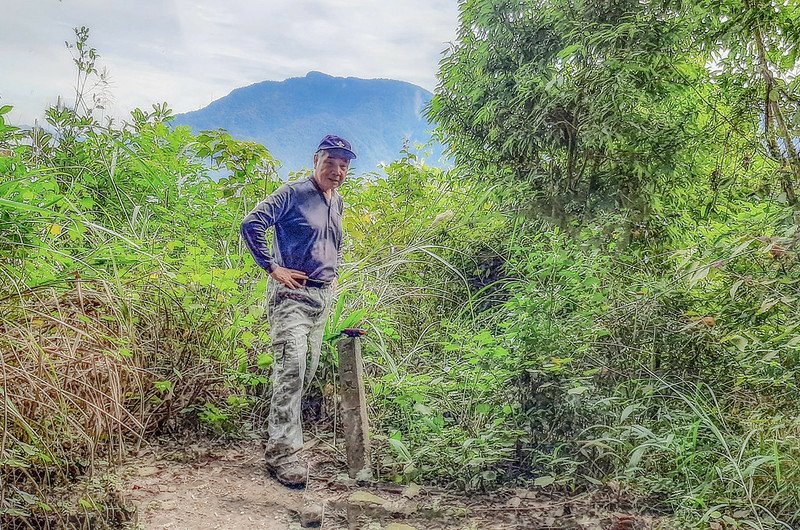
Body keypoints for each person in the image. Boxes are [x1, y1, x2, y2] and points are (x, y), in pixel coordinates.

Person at [241, 134, 355, 487]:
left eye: (343, 165)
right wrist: (273, 267)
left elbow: (327, 242)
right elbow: (251, 223)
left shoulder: (335, 200)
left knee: (304, 374)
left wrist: (331, 276)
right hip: (292, 297)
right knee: (291, 371)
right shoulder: (293, 193)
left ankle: (282, 439)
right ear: (316, 160)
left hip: (321, 300)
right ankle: (282, 456)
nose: (336, 171)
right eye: (330, 163)